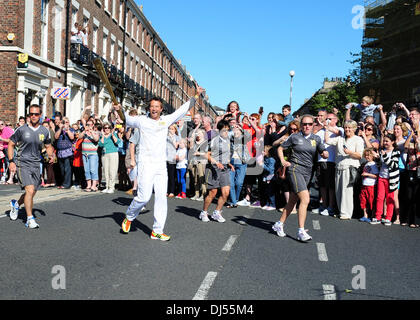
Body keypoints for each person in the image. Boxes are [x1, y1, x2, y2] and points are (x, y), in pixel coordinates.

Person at [113, 85, 205, 241]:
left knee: (162, 197)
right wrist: (117, 110)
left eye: (157, 107)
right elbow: (124, 118)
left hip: (161, 165)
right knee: (143, 197)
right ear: (149, 108)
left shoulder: (166, 120)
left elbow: (181, 110)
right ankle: (129, 217)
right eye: (152, 106)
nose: (154, 109)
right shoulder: (141, 120)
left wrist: (196, 96)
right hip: (146, 164)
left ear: (161, 109)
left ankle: (157, 230)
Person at [273, 115, 329, 242]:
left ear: (313, 124)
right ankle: (301, 231)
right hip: (295, 169)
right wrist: (282, 161)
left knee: (293, 200)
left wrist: (325, 154)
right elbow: (280, 148)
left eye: (309, 124)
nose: (307, 126)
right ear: (301, 125)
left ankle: (279, 224)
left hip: (308, 172)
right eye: (304, 124)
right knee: (305, 199)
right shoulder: (295, 137)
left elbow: (323, 151)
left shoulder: (316, 138)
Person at [8, 105, 54, 228]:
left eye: (36, 114)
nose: (34, 116)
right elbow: (11, 144)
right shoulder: (21, 130)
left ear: (40, 115)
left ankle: (16, 204)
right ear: (29, 115)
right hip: (22, 162)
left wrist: (51, 155)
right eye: (31, 114)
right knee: (29, 190)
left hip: (36, 163)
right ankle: (30, 219)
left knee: (32, 192)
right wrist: (11, 161)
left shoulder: (44, 131)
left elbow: (48, 146)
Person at [325, 120, 364, 220]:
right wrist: (327, 129)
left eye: (349, 128)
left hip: (349, 168)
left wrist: (349, 152)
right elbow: (327, 141)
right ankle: (340, 211)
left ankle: (346, 213)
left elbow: (359, 155)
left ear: (354, 129)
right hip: (339, 167)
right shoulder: (340, 138)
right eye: (346, 127)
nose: (347, 129)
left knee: (347, 191)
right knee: (338, 191)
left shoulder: (358, 139)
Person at [199, 120, 234, 223]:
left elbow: (226, 154)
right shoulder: (214, 140)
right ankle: (204, 212)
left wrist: (229, 163)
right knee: (213, 193)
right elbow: (206, 154)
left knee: (225, 193)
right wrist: (216, 162)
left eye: (227, 130)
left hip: (224, 169)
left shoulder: (228, 140)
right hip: (213, 169)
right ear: (219, 131)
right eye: (224, 130)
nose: (226, 132)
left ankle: (217, 212)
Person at [315, 112, 343, 216]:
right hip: (320, 160)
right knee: (322, 184)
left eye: (330, 119)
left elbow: (339, 133)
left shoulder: (339, 129)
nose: (327, 121)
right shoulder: (320, 131)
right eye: (327, 119)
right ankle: (324, 205)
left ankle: (331, 206)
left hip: (332, 161)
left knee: (330, 185)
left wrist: (327, 127)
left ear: (336, 120)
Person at [371, 134, 400, 226]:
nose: (385, 143)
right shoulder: (382, 151)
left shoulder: (396, 152)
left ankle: (388, 217)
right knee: (380, 197)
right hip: (381, 177)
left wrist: (385, 156)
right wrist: (377, 158)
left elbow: (394, 165)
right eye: (384, 141)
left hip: (391, 179)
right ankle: (378, 216)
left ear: (393, 142)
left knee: (390, 198)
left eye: (387, 141)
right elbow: (380, 164)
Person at [226, 124, 250, 208]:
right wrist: (232, 129)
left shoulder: (243, 139)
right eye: (234, 130)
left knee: (239, 183)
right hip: (231, 162)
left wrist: (241, 128)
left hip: (241, 162)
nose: (236, 131)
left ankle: (235, 199)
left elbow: (248, 135)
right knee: (231, 183)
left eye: (237, 130)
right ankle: (234, 202)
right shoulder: (230, 138)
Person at [98, 123, 120, 194]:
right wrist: (103, 136)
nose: (107, 129)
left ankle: (111, 187)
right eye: (105, 128)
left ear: (110, 129)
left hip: (113, 153)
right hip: (105, 154)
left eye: (108, 128)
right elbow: (100, 144)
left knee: (112, 170)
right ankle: (107, 187)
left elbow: (117, 142)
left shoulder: (113, 135)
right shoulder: (102, 136)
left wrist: (113, 135)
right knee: (106, 170)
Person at [359, 148, 379, 223]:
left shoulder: (374, 164)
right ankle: (365, 215)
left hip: (371, 185)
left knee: (371, 201)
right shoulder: (366, 164)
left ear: (372, 156)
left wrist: (367, 174)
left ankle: (372, 216)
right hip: (364, 185)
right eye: (366, 155)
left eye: (369, 155)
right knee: (363, 200)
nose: (367, 157)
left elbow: (376, 175)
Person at [79, 119, 100, 192]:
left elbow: (96, 139)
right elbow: (79, 137)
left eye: (90, 124)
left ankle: (94, 185)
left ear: (93, 125)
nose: (88, 126)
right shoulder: (84, 133)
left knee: (93, 170)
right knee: (86, 170)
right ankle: (88, 185)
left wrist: (91, 132)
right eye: (87, 124)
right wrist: (85, 131)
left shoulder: (96, 132)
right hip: (85, 154)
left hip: (93, 154)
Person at [55, 116, 75, 189]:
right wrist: (60, 128)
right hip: (60, 152)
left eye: (66, 122)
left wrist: (67, 130)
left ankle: (66, 184)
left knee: (67, 169)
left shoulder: (71, 129)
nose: (65, 124)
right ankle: (64, 182)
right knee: (62, 170)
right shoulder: (59, 130)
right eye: (64, 122)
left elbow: (72, 137)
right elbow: (56, 137)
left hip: (68, 152)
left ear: (69, 123)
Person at [188, 128, 208, 201]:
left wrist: (199, 153)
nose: (198, 134)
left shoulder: (206, 142)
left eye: (199, 133)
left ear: (203, 134)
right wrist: (192, 139)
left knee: (202, 179)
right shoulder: (195, 142)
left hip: (202, 162)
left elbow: (207, 153)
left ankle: (203, 194)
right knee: (195, 179)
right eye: (197, 133)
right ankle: (196, 194)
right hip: (194, 162)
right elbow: (190, 148)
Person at [261, 145, 276, 211]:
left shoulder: (271, 159)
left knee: (270, 191)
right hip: (266, 176)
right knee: (266, 191)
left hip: (270, 177)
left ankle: (273, 204)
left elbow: (270, 170)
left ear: (268, 152)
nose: (262, 152)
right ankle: (267, 203)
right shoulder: (265, 158)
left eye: (264, 151)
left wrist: (262, 165)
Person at [166, 124, 179, 198]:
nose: (170, 130)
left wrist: (172, 138)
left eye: (172, 129)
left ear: (175, 130)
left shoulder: (176, 137)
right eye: (169, 129)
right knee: (166, 176)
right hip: (166, 158)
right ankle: (167, 190)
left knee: (171, 175)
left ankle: (172, 191)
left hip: (172, 159)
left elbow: (176, 146)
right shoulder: (166, 137)